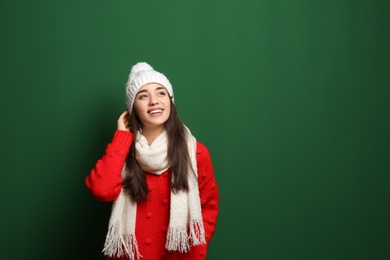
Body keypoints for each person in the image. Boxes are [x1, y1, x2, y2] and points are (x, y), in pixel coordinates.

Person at [85, 62, 219, 260]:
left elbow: (208, 207)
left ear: (171, 101)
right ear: (132, 109)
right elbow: (101, 190)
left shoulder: (195, 152)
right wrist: (121, 138)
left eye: (161, 93)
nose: (154, 101)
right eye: (143, 96)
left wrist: (196, 254)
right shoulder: (121, 150)